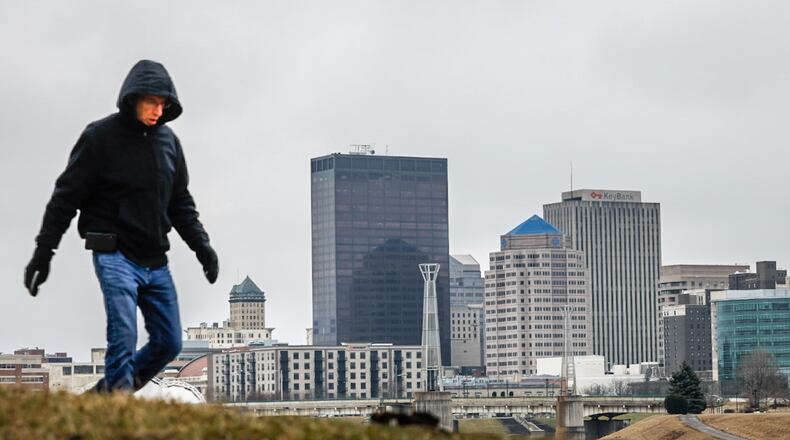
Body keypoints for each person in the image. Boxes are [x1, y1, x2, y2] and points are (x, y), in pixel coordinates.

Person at [23, 59, 218, 392]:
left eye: (164, 104)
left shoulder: (169, 143)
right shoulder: (99, 138)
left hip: (156, 260)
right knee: (123, 336)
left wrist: (203, 248)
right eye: (152, 101)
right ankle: (118, 408)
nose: (158, 110)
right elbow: (65, 197)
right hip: (114, 255)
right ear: (133, 98)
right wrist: (44, 251)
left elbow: (181, 203)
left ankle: (98, 403)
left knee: (169, 342)